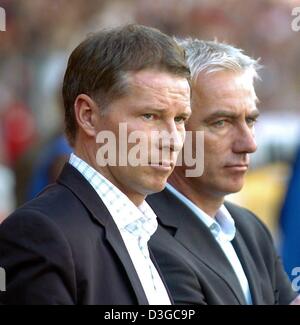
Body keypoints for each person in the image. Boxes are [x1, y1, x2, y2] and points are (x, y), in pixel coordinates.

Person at [0, 24, 191, 305]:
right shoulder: (39, 234)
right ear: (88, 116)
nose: (173, 140)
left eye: (180, 120)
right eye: (150, 116)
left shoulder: (154, 231)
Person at [147, 39, 299, 305]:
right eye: (221, 122)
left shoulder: (249, 228)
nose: (249, 144)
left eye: (250, 120)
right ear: (173, 128)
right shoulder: (142, 236)